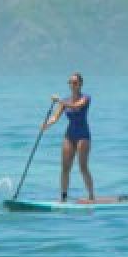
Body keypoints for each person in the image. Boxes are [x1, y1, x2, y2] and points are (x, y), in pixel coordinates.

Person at [42, 72, 94, 202]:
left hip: (83, 135)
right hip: (69, 135)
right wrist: (46, 125)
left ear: (80, 84)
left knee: (82, 166)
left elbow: (77, 106)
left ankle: (91, 195)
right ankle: (63, 197)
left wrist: (59, 100)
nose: (72, 85)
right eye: (70, 82)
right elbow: (55, 117)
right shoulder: (65, 101)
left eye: (75, 82)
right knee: (65, 167)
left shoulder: (86, 98)